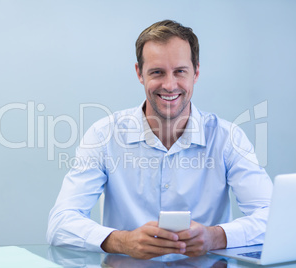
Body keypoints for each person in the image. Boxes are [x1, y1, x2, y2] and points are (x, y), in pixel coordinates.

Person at [47, 19, 273, 260]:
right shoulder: (104, 136)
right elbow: (60, 224)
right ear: (139, 73)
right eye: (157, 72)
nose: (169, 85)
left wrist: (214, 237)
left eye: (180, 72)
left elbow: (273, 217)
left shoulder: (227, 138)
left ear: (196, 72)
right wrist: (122, 241)